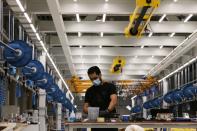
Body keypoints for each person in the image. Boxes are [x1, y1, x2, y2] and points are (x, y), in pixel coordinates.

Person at [83, 66, 118, 131]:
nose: (93, 80)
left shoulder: (110, 86)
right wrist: (95, 112)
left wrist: (107, 111)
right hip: (96, 122)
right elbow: (85, 108)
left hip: (110, 120)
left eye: (95, 78)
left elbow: (114, 101)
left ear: (100, 75)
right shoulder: (89, 91)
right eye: (91, 79)